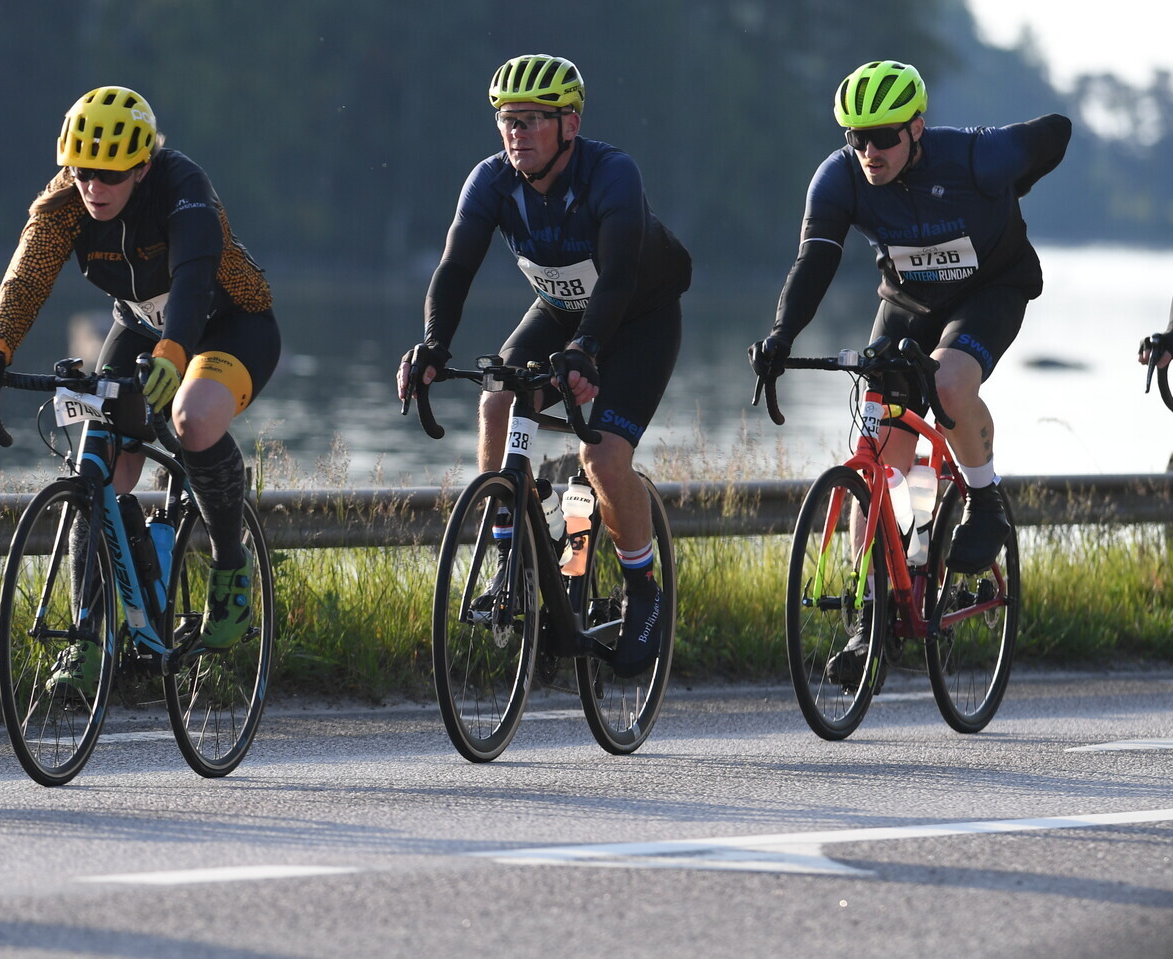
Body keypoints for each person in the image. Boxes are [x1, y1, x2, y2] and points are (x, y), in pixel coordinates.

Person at [749, 60, 1070, 681]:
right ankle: (871, 621)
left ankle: (984, 498)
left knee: (948, 383)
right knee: (876, 455)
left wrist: (1013, 182)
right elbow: (814, 263)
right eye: (856, 137)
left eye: (883, 137)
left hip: (990, 290)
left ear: (916, 129)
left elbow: (1056, 130)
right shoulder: (840, 177)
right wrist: (781, 337)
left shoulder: (973, 157)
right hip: (909, 304)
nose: (869, 151)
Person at [0, 86, 280, 687]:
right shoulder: (66, 201)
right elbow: (26, 276)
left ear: (141, 167)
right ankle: (89, 637)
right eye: (82, 172)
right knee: (101, 464)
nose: (93, 187)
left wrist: (174, 353)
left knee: (192, 420)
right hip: (137, 327)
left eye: (109, 175)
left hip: (228, 325)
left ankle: (230, 570)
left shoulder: (182, 186)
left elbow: (193, 280)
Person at [398, 55, 691, 677]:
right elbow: (455, 268)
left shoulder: (611, 174)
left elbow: (618, 277)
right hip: (559, 312)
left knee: (602, 458)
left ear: (570, 125)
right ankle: (516, 556)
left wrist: (587, 349)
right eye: (508, 120)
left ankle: (643, 590)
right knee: (498, 400)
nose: (517, 132)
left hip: (638, 319)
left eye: (532, 120)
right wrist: (432, 345)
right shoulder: (490, 181)